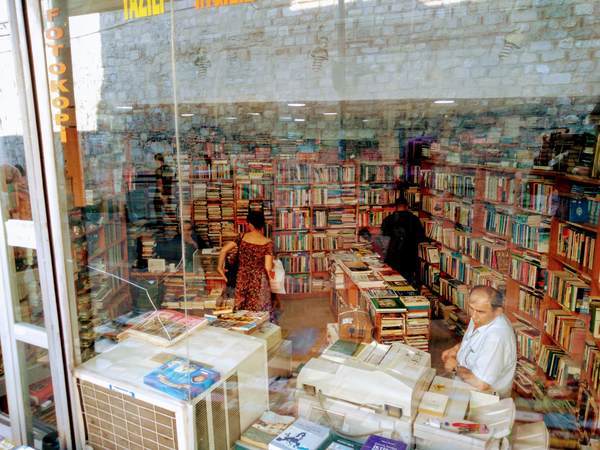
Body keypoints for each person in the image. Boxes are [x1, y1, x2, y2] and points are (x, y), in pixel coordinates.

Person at [441, 286, 517, 398]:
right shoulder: (482, 317)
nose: (473, 316)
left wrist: (455, 368)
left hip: (485, 402)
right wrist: (456, 349)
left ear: (498, 311)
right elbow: (473, 341)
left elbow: (481, 384)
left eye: (480, 311)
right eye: (471, 308)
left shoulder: (497, 337)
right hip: (464, 389)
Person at [217, 209, 275, 317]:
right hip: (258, 281)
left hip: (241, 278)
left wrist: (220, 269)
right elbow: (268, 267)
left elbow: (223, 250)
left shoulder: (242, 237)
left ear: (250, 224)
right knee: (257, 310)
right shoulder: (268, 243)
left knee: (240, 308)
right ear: (262, 225)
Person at [380, 197, 424, 282]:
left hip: (392, 257)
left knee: (392, 281)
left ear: (395, 207)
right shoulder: (414, 220)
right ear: (407, 206)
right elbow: (420, 238)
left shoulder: (388, 219)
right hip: (409, 258)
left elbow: (383, 240)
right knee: (408, 281)